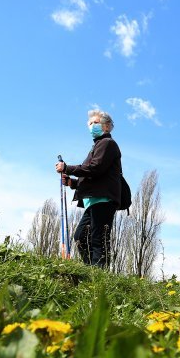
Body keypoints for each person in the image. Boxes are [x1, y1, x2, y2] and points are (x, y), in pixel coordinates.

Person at [55, 109, 123, 268]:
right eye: (90, 123)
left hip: (104, 199)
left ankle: (100, 276)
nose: (92, 126)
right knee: (81, 237)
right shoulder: (98, 146)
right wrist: (72, 183)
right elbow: (91, 176)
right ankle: (92, 271)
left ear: (106, 126)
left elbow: (95, 168)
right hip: (93, 200)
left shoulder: (108, 144)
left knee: (98, 239)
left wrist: (67, 168)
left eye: (96, 123)